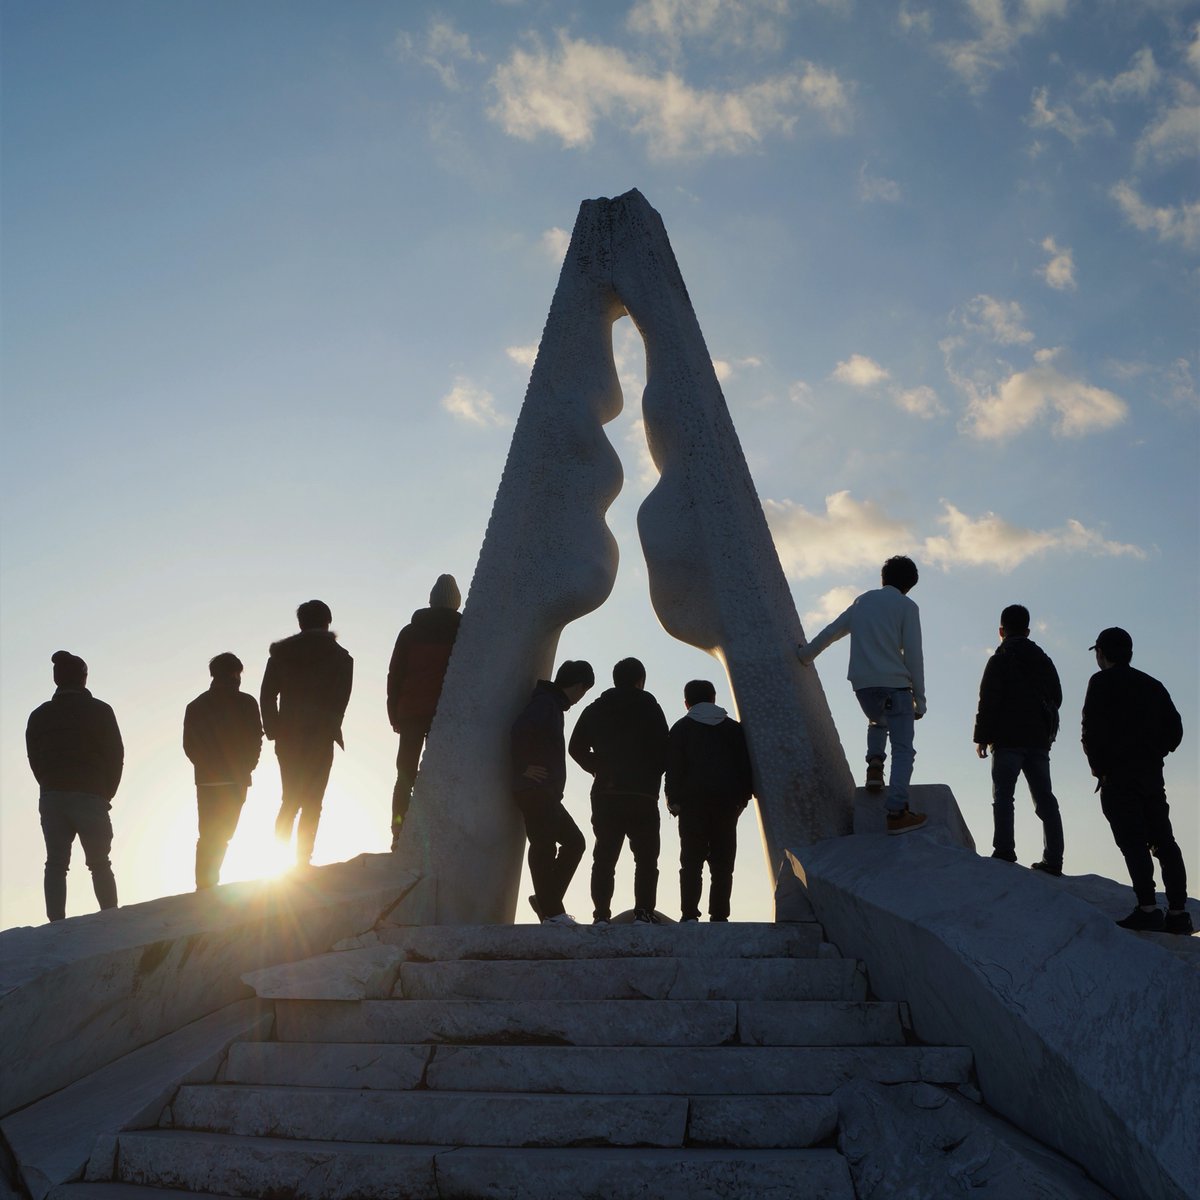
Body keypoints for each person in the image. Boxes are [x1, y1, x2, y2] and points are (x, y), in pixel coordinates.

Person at [797, 555, 927, 835]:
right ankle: (897, 812)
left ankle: (874, 766)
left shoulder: (862, 602)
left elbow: (833, 631)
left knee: (878, 720)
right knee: (904, 749)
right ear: (910, 585)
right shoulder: (907, 607)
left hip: (864, 688)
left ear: (883, 578)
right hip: (896, 686)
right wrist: (921, 699)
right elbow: (914, 655)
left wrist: (805, 655)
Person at [1082, 627, 1191, 935]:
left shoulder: (1100, 683)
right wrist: (1156, 752)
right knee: (1164, 842)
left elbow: (1089, 730)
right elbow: (1176, 730)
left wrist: (1099, 769)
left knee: (1133, 843)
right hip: (1150, 775)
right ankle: (1179, 913)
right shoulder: (1152, 685)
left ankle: (1148, 908)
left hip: (1118, 776)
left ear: (1101, 653)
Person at [569, 657, 669, 924]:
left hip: (606, 793)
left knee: (604, 857)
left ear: (615, 679)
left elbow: (575, 748)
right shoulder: (650, 707)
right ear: (640, 680)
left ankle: (601, 915)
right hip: (643, 795)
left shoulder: (596, 708)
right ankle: (643, 913)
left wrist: (598, 768)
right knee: (646, 859)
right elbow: (665, 749)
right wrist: (651, 774)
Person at [25, 650, 123, 922]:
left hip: (52, 795)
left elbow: (33, 757)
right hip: (91, 794)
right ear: (83, 678)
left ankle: (56, 922)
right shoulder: (100, 711)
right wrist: (106, 792)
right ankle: (110, 917)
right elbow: (116, 754)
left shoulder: (39, 715)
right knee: (100, 863)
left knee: (55, 863)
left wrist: (48, 784)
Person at [973, 604, 1064, 875]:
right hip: (1037, 740)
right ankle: (1053, 859)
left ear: (1001, 630)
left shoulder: (998, 660)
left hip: (1007, 738)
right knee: (1045, 799)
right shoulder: (1043, 659)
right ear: (1027, 630)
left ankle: (1004, 850)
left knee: (1003, 796)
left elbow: (987, 701)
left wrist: (981, 737)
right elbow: (1057, 697)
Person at [261, 600, 353, 866]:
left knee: (290, 798)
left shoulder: (281, 655)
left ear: (300, 623)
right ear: (328, 622)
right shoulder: (341, 658)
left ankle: (277, 862)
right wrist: (328, 727)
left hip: (288, 736)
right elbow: (340, 701)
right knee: (313, 801)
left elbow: (267, 696)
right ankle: (302, 862)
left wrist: (274, 729)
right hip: (321, 737)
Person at [511, 659, 594, 925]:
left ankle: (546, 902)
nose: (582, 697)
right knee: (543, 846)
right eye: (585, 690)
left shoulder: (551, 704)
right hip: (535, 789)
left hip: (546, 791)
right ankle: (553, 913)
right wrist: (524, 767)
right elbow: (519, 730)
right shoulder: (546, 703)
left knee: (574, 842)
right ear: (579, 685)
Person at [664, 679, 754, 923]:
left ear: (686, 703)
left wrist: (672, 800)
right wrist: (743, 798)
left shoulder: (681, 728)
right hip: (726, 805)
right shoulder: (733, 729)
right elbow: (746, 767)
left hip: (692, 806)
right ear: (714, 698)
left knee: (691, 863)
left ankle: (690, 915)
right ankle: (719, 915)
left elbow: (673, 768)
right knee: (723, 864)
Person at [386, 574, 462, 850]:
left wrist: (394, 712)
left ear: (431, 600)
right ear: (456, 603)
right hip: (445, 715)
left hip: (410, 712)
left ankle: (399, 831)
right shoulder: (463, 631)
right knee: (437, 774)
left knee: (404, 774)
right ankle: (432, 831)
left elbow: (395, 674)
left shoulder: (410, 632)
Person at [183, 652, 264, 889]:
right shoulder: (246, 703)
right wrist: (248, 765)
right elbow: (255, 739)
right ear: (235, 673)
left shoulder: (196, 705)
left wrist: (205, 766)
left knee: (208, 835)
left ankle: (204, 885)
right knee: (223, 835)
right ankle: (208, 885)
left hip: (208, 780)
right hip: (235, 780)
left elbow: (189, 745)